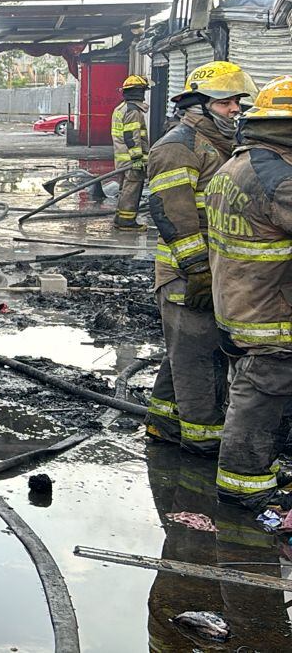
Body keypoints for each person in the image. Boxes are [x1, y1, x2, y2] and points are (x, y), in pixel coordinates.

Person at [143, 62, 256, 453]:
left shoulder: (218, 143)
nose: (235, 109)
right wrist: (197, 271)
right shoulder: (178, 146)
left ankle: (163, 423)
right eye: (226, 102)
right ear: (199, 105)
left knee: (184, 352)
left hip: (210, 271)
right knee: (200, 358)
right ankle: (202, 442)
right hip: (186, 274)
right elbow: (172, 214)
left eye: (237, 101)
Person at [203, 74, 292, 508]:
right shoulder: (281, 180)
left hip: (237, 305)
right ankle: (244, 486)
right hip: (269, 316)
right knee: (259, 400)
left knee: (248, 392)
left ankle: (252, 473)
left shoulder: (236, 165)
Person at [112, 75, 153, 230]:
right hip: (131, 160)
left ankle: (120, 218)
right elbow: (131, 137)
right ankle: (126, 222)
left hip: (122, 158)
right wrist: (137, 159)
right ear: (139, 92)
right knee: (132, 190)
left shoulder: (121, 108)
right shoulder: (133, 111)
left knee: (125, 190)